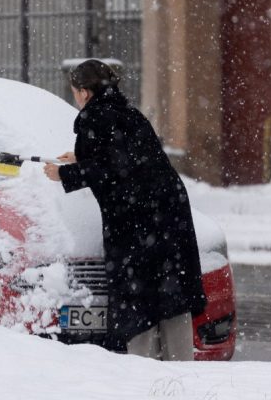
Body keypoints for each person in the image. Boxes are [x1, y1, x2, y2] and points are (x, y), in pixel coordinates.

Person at [43, 59, 206, 360]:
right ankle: (181, 368)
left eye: (75, 92)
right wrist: (80, 159)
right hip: (168, 213)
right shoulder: (127, 112)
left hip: (135, 219)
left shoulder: (94, 118)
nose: (76, 98)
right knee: (170, 296)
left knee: (137, 299)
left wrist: (65, 174)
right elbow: (128, 157)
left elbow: (112, 168)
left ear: (84, 92)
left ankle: (142, 370)